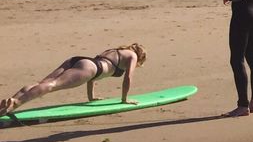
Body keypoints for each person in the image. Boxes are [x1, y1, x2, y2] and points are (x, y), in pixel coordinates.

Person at [0, 44, 147, 116]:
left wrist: (91, 97)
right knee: (53, 85)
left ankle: (12, 100)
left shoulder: (113, 50)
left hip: (79, 60)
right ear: (140, 57)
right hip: (90, 68)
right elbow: (128, 77)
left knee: (43, 83)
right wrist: (124, 99)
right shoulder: (132, 56)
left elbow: (94, 74)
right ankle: (16, 103)